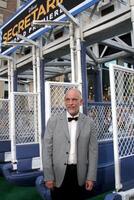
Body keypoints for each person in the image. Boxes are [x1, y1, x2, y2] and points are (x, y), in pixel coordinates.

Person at [42, 88, 98, 200]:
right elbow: (46, 150)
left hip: (80, 174)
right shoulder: (53, 121)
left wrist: (91, 177)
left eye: (74, 99)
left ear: (81, 102)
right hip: (58, 174)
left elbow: (93, 152)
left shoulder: (90, 123)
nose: (70, 103)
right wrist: (48, 176)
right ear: (64, 101)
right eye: (67, 99)